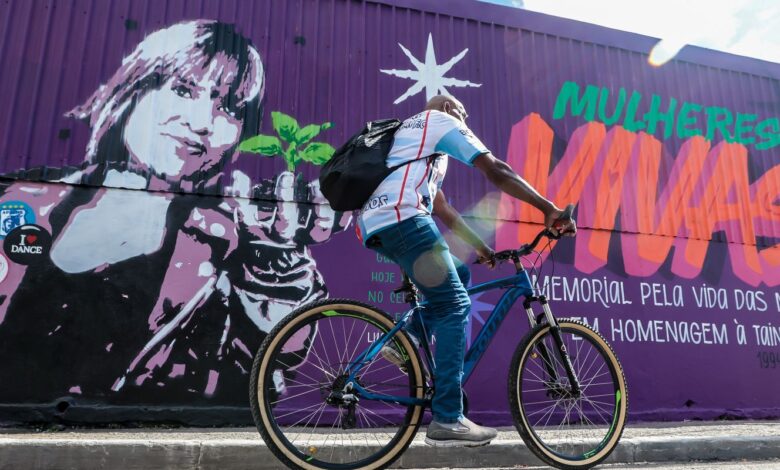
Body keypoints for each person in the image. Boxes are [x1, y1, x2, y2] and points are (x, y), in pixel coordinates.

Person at [0, 20, 348, 404]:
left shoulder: (234, 239)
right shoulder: (23, 200)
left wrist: (277, 265)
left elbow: (263, 376)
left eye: (229, 108)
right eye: (182, 90)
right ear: (134, 89)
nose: (201, 123)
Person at [357, 95, 576, 447]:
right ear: (447, 108)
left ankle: (407, 340)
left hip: (379, 223)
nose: (466, 120)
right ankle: (447, 416)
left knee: (459, 276)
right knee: (456, 305)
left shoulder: (413, 141)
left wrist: (481, 247)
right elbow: (497, 170)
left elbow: (444, 209)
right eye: (463, 113)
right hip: (404, 218)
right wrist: (548, 209)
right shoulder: (441, 122)